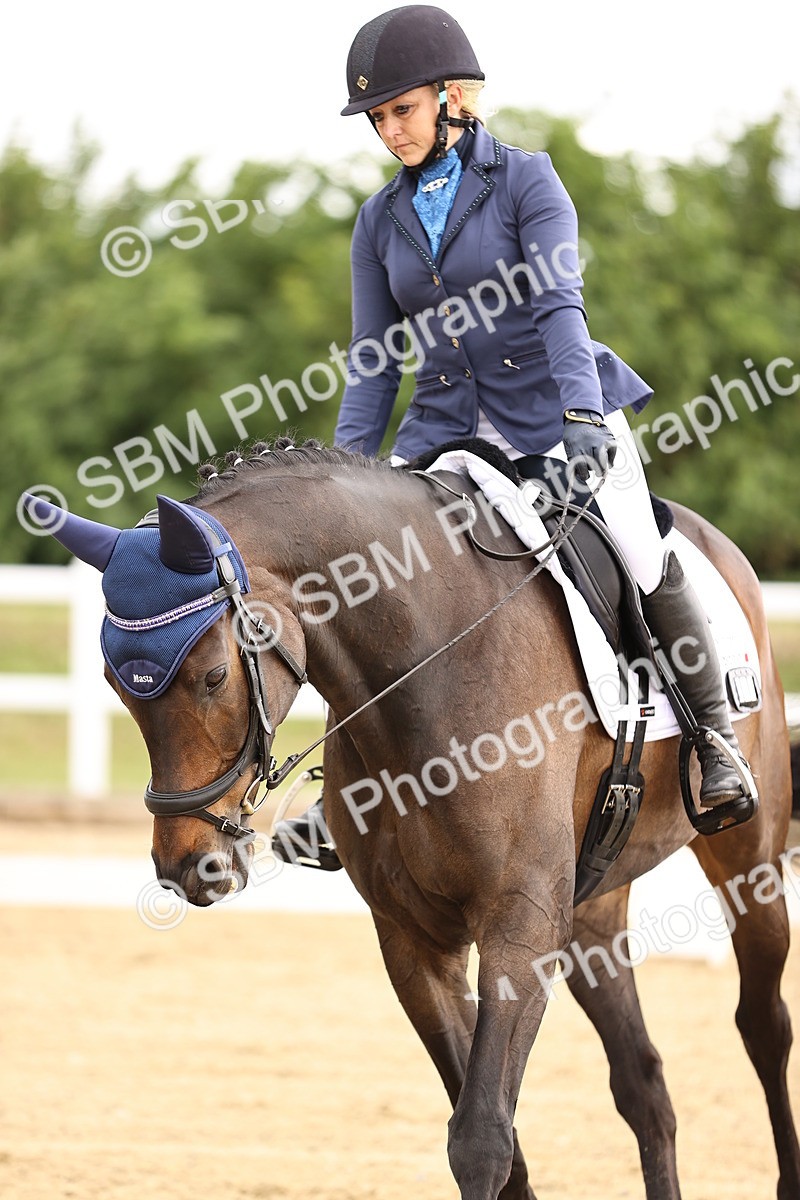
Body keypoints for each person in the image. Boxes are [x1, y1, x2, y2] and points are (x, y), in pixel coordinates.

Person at [273, 4, 754, 866]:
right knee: (373, 586)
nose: (389, 132)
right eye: (378, 119)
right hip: (447, 430)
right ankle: (344, 793)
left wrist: (580, 422)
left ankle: (713, 738)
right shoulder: (379, 221)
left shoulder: (528, 181)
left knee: (639, 550)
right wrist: (342, 480)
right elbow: (375, 363)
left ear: (454, 96)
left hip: (557, 410)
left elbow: (560, 306)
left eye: (401, 111)